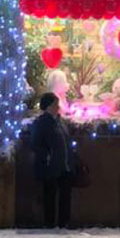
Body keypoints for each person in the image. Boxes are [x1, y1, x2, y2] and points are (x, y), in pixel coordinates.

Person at [30, 91, 72, 228]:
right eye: (55, 104)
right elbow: (35, 144)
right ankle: (50, 223)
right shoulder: (41, 123)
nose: (58, 107)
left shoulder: (60, 121)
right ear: (48, 106)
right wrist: (47, 156)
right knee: (50, 195)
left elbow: (66, 140)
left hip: (64, 165)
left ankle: (63, 223)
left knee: (65, 195)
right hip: (50, 166)